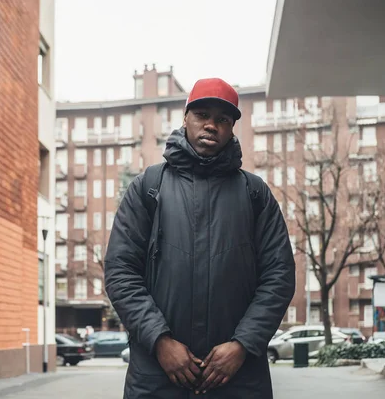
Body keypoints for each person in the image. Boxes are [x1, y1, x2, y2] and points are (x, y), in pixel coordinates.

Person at [104, 78, 296, 398]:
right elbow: (121, 271)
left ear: (232, 128)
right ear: (186, 118)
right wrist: (160, 341)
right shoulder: (149, 186)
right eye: (202, 115)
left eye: (222, 119)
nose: (211, 125)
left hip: (237, 375)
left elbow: (279, 275)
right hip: (158, 372)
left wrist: (242, 345)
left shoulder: (254, 193)